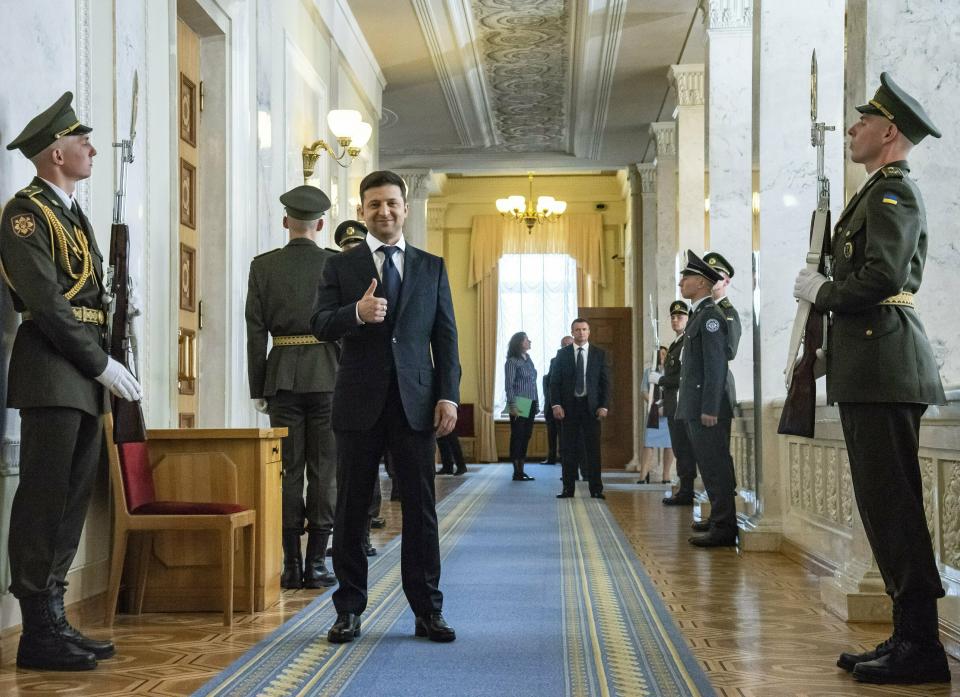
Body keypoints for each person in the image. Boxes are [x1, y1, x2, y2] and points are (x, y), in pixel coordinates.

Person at [793, 73, 949, 685]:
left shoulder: (894, 196)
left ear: (889, 132)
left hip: (885, 367)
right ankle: (906, 636)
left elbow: (881, 278)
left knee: (896, 508)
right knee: (883, 508)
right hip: (869, 367)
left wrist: (825, 292)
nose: (852, 129)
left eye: (862, 122)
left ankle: (923, 646)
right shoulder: (873, 194)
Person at [1, 92, 142, 670]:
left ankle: (54, 616)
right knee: (44, 498)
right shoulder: (24, 214)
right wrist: (100, 364)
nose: (90, 148)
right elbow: (49, 306)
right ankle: (37, 628)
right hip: (54, 369)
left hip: (79, 374)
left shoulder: (72, 211)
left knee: (72, 499)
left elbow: (89, 298)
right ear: (56, 152)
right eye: (80, 141)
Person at [312, 170, 461, 644]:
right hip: (358, 403)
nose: (385, 211)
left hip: (416, 404)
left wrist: (447, 393)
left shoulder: (431, 266)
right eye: (374, 204)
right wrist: (355, 314)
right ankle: (349, 609)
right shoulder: (341, 267)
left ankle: (427, 610)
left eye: (392, 203)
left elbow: (446, 338)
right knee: (351, 509)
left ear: (405, 208)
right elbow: (318, 324)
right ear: (362, 211)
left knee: (420, 510)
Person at [245, 185, 339, 590]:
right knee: (325, 471)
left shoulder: (263, 266)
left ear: (286, 222)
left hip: (281, 375)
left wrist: (257, 386)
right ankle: (317, 563)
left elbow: (254, 332)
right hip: (330, 375)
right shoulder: (337, 264)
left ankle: (290, 565)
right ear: (320, 224)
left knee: (287, 471)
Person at [675, 251, 737, 547]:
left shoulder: (711, 317)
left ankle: (724, 527)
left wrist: (710, 407)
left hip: (706, 408)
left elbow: (716, 365)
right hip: (695, 405)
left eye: (685, 278)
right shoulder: (699, 314)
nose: (680, 283)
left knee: (716, 466)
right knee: (708, 466)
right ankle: (717, 519)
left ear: (700, 282)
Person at [333, 219, 385, 548]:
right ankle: (350, 534)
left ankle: (366, 527)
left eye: (357, 248)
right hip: (338, 380)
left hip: (371, 383)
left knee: (368, 462)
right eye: (347, 249)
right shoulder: (334, 278)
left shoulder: (379, 281)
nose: (352, 254)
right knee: (346, 465)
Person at [551, 318, 610, 499]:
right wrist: (556, 404)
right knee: (568, 449)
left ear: (589, 332)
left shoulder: (599, 354)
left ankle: (596, 489)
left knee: (593, 449)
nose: (581, 333)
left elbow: (605, 383)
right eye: (577, 330)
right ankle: (568, 489)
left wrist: (604, 405)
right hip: (569, 408)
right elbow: (555, 382)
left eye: (584, 329)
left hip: (591, 408)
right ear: (572, 332)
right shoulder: (563, 354)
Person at [651, 301, 697, 506]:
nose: (675, 320)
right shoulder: (676, 344)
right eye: (673, 317)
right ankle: (684, 488)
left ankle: (686, 491)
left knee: (685, 450)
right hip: (672, 404)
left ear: (689, 319)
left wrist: (660, 379)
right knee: (680, 449)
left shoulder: (688, 343)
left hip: (682, 403)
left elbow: (684, 378)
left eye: (680, 316)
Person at [504, 331, 538, 481]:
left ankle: (522, 469)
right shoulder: (512, 361)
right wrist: (512, 405)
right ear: (519, 343)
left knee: (526, 435)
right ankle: (516, 471)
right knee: (518, 436)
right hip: (519, 402)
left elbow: (533, 383)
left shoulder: (528, 359)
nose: (529, 341)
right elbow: (509, 385)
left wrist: (536, 404)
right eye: (526, 340)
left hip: (531, 401)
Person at [638, 346, 674, 484]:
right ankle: (643, 475)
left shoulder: (672, 373)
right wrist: (656, 405)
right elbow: (644, 391)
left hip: (669, 411)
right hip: (654, 412)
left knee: (669, 444)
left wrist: (666, 406)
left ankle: (666, 475)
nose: (662, 357)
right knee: (649, 443)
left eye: (665, 354)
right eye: (660, 354)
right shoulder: (649, 372)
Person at [541, 335, 573, 464]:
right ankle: (551, 457)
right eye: (563, 345)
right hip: (522, 402)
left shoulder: (527, 361)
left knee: (564, 434)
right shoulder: (554, 361)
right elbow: (549, 381)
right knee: (550, 432)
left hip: (566, 405)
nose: (565, 347)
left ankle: (563, 459)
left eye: (568, 345)